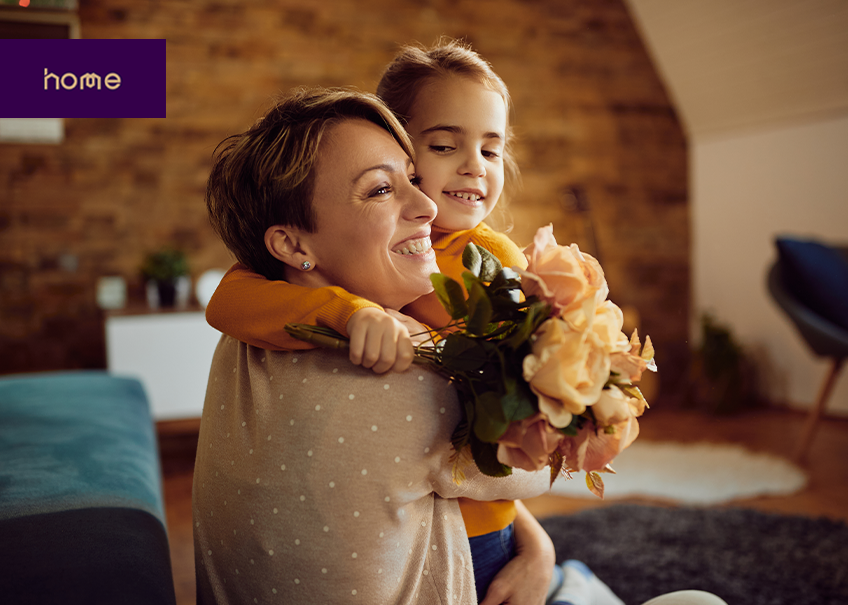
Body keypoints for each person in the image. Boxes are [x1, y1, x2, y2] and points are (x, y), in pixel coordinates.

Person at [203, 39, 552, 603]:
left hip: (481, 514)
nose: (469, 170)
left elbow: (511, 450)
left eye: (492, 150)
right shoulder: (356, 286)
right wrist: (349, 311)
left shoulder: (494, 266)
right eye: (441, 147)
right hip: (442, 520)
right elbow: (227, 301)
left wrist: (536, 542)